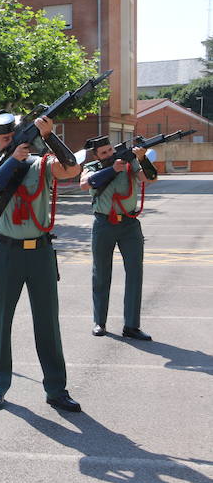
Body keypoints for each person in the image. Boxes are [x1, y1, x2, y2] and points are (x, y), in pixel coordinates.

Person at [0, 111, 82, 412]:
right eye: (5, 139)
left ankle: (56, 389)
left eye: (15, 136)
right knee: (1, 322)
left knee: (47, 321)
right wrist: (12, 160)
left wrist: (49, 137)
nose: (11, 143)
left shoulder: (40, 164)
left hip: (40, 252)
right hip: (7, 252)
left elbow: (71, 169)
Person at [80, 135, 156, 341]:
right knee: (101, 273)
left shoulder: (130, 162)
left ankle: (132, 325)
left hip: (129, 224)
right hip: (104, 223)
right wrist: (113, 169)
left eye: (110, 150)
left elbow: (149, 178)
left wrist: (142, 159)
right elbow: (85, 184)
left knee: (134, 273)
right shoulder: (93, 167)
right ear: (96, 155)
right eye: (103, 153)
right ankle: (99, 322)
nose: (109, 154)